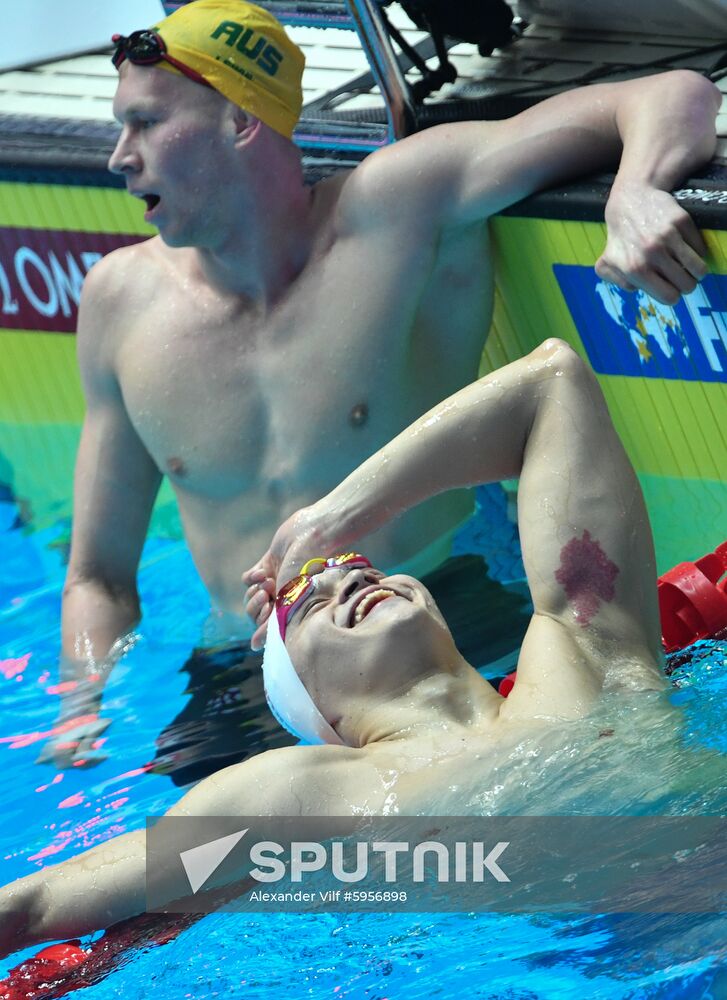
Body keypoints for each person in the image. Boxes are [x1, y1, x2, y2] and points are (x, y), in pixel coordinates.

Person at [44, 0, 721, 774]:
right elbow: (97, 576)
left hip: (442, 630)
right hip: (245, 675)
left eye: (144, 123)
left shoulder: (397, 207)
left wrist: (633, 192)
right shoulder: (120, 302)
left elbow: (674, 93)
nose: (119, 157)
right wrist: (78, 707)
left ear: (238, 121)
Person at [2, 338, 681, 956]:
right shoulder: (309, 791)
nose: (347, 576)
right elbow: (38, 907)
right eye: (309, 602)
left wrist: (331, 519)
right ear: (313, 703)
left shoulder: (582, 657)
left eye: (361, 565)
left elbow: (552, 383)